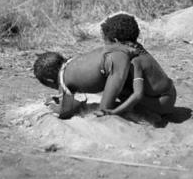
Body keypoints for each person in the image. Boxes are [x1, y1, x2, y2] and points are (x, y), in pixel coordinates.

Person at [33, 12, 177, 120]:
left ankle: (129, 110)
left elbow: (137, 94)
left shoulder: (131, 59)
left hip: (162, 102)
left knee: (117, 92)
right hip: (165, 94)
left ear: (115, 42)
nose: (104, 47)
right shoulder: (134, 51)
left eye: (105, 42)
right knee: (118, 87)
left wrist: (112, 112)